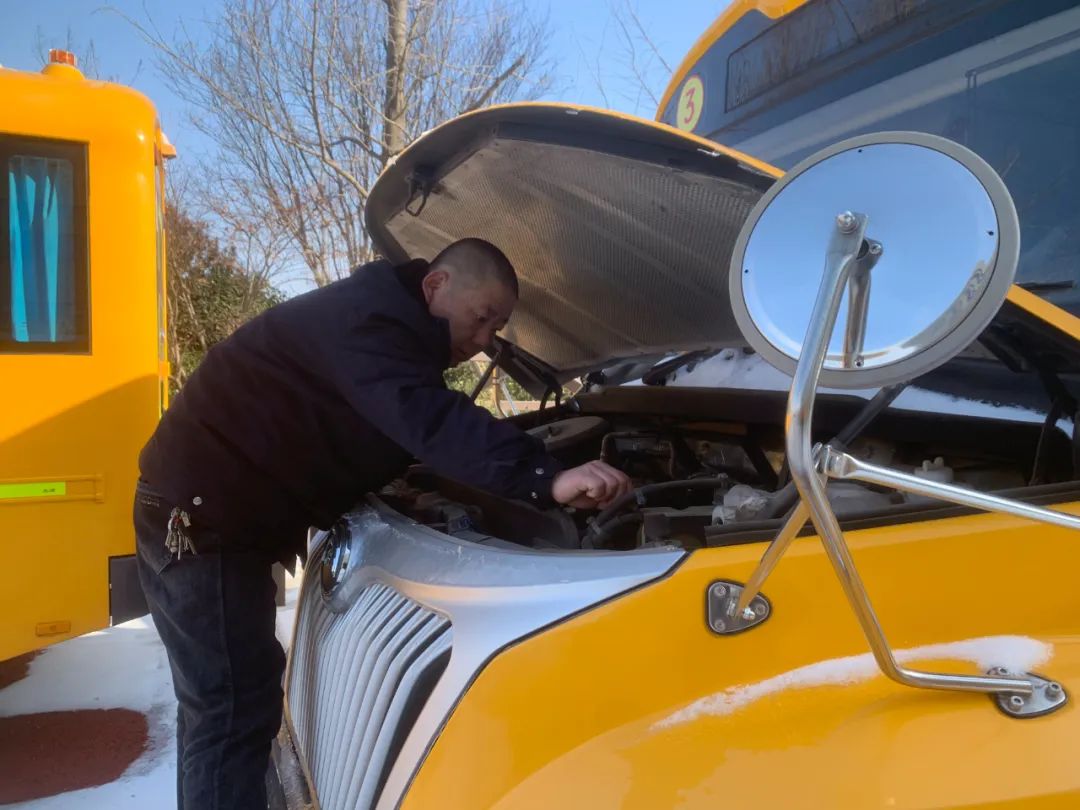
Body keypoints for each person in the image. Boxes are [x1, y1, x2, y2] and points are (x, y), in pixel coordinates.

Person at [133, 237, 632, 809]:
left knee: (224, 704)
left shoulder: (383, 325)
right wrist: (544, 476)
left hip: (213, 511)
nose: (484, 341)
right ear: (436, 285)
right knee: (228, 709)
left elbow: (388, 423)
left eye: (497, 326)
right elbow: (420, 414)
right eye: (481, 318)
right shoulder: (369, 322)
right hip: (200, 520)